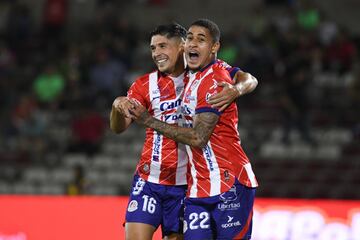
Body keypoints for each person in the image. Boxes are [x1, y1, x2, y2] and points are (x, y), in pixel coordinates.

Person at [110, 23, 257, 240]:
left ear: (181, 47)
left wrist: (236, 90)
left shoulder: (204, 73)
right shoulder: (144, 84)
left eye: (163, 46)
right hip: (150, 177)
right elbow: (118, 127)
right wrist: (116, 105)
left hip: (185, 183)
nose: (157, 53)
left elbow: (249, 79)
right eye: (153, 48)